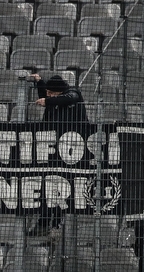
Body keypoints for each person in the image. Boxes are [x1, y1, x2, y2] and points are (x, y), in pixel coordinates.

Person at [27, 73, 86, 237]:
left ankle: (55, 224)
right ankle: (44, 223)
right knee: (48, 187)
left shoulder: (73, 94)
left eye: (52, 94)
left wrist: (48, 100)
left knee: (60, 187)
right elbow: (47, 98)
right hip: (53, 149)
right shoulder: (54, 98)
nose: (48, 97)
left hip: (69, 151)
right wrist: (40, 83)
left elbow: (63, 99)